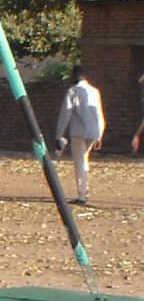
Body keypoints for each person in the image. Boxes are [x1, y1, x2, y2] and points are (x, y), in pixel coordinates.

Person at [55, 65, 105, 205]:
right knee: (84, 160)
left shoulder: (73, 91)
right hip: (93, 131)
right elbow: (99, 114)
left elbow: (66, 113)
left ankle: (82, 195)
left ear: (74, 76)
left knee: (80, 162)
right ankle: (84, 190)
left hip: (79, 132)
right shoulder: (95, 91)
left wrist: (59, 135)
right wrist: (99, 135)